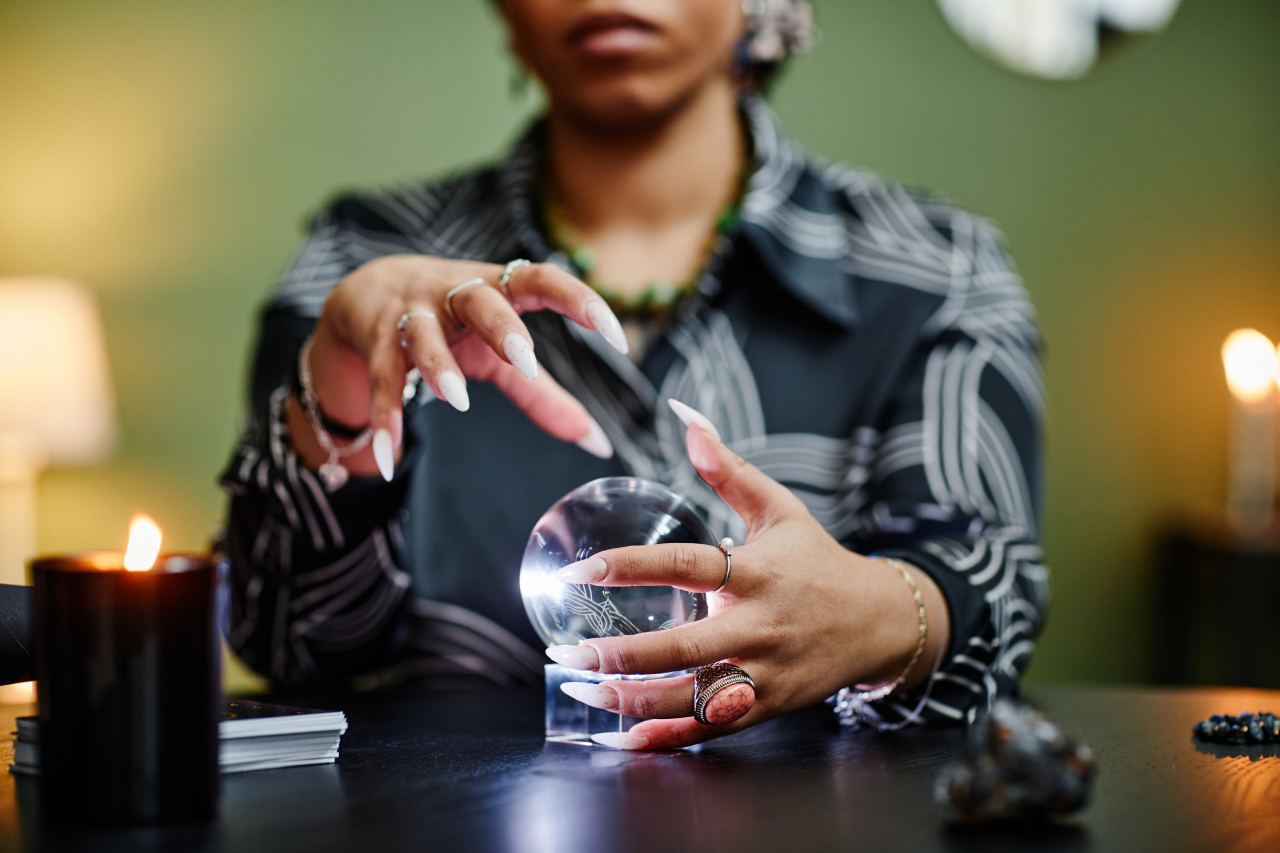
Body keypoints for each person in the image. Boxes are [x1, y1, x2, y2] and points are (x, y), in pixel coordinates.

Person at [220, 0, 1048, 750]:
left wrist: (876, 615)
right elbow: (286, 644)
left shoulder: (937, 271)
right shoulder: (357, 261)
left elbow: (989, 594)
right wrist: (340, 410)